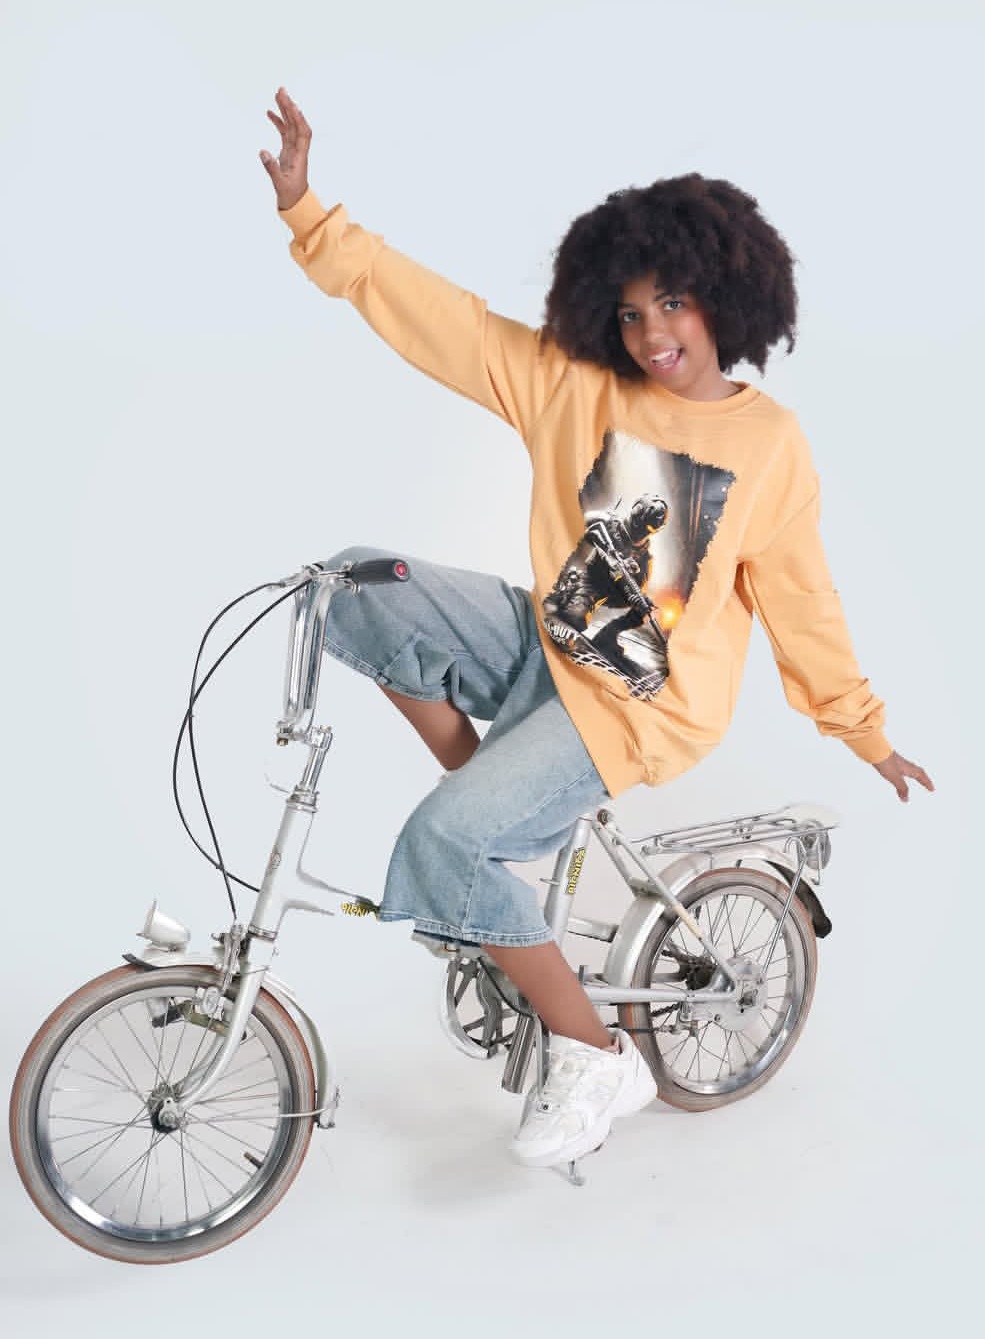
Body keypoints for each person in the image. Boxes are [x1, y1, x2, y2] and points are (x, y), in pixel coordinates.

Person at [258, 87, 934, 1171]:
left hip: (635, 709)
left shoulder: (768, 443)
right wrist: (311, 214)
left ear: (722, 296)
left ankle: (594, 1052)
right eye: (629, 313)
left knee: (442, 841)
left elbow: (803, 598)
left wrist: (864, 729)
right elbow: (446, 321)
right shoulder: (572, 383)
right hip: (550, 645)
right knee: (358, 584)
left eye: (672, 303)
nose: (652, 332)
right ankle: (493, 821)